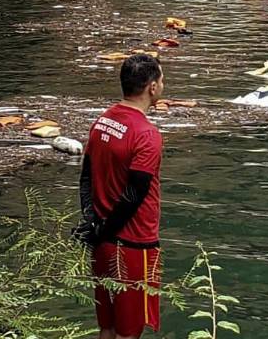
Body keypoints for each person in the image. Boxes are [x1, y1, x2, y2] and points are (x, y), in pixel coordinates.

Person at [74, 53, 165, 339]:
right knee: (129, 331)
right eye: (162, 79)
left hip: (102, 240)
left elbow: (86, 176)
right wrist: (104, 229)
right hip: (133, 244)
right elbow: (134, 193)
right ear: (152, 86)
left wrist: (93, 223)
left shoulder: (103, 121)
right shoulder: (147, 134)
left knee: (108, 326)